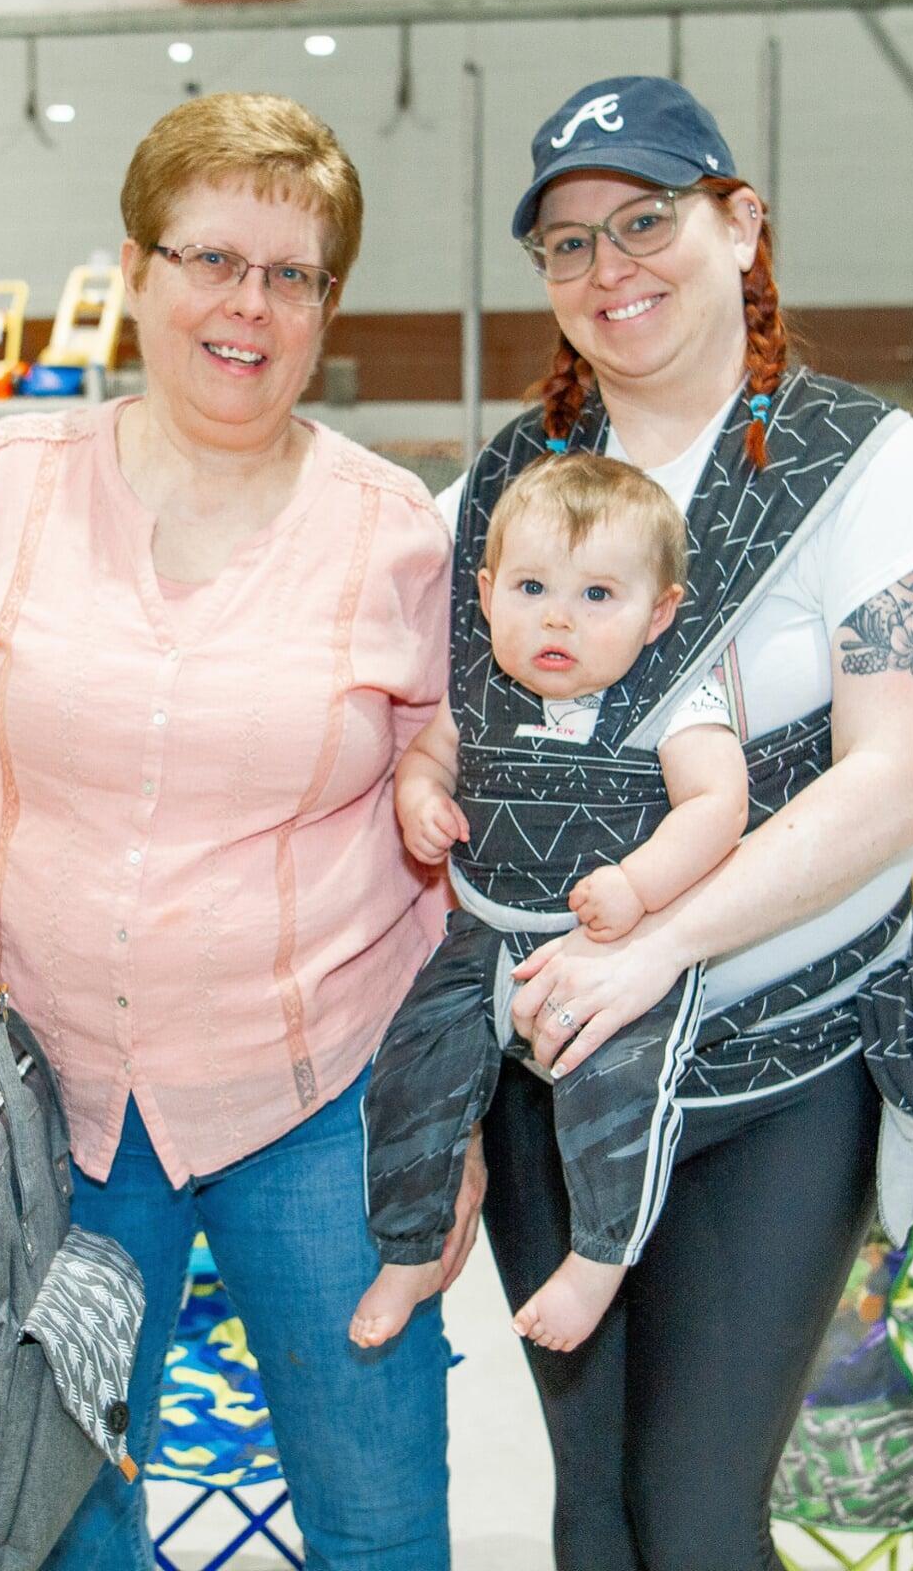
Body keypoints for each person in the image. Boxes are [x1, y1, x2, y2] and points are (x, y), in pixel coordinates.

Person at [0, 92, 466, 1571]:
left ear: (325, 307)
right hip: (45, 1100)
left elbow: (446, 826)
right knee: (54, 1511)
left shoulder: (392, 533)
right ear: (134, 271)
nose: (247, 304)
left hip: (313, 1101)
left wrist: (446, 1132)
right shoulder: (9, 487)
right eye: (209, 259)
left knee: (376, 1515)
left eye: (290, 275)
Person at [434, 76, 913, 1571]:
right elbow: (445, 742)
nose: (608, 268)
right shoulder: (501, 488)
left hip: (784, 1066)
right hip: (551, 1074)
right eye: (565, 244)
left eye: (644, 220)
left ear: (738, 228)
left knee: (691, 1513)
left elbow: (890, 781)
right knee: (593, 1506)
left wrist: (656, 943)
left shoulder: (863, 467)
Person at [350, 452, 749, 1355]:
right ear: (486, 594)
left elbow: (719, 806)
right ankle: (410, 1246)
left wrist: (639, 884)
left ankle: (600, 1257)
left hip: (607, 951)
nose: (558, 616)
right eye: (531, 587)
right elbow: (426, 759)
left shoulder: (675, 700)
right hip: (482, 932)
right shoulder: (481, 688)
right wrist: (420, 800)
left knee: (614, 1098)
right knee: (410, 1072)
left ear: (660, 613)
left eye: (598, 596)